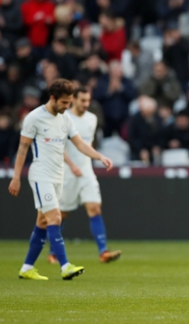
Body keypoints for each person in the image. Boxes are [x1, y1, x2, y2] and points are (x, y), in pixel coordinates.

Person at [8, 79, 113, 281]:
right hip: (41, 175)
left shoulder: (65, 119)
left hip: (58, 176)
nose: (67, 107)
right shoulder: (34, 118)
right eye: (64, 102)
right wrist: (15, 177)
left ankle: (27, 267)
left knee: (42, 222)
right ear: (53, 98)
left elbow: (80, 144)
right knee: (55, 218)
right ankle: (65, 266)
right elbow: (22, 149)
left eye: (69, 102)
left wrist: (99, 156)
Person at [46, 87, 121, 264]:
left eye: (88, 100)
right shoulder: (63, 119)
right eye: (82, 101)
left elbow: (87, 144)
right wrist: (72, 165)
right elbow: (58, 147)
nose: (86, 104)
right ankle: (53, 252)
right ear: (74, 100)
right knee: (61, 215)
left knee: (95, 208)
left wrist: (98, 157)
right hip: (67, 172)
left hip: (86, 171)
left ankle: (103, 251)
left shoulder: (92, 119)